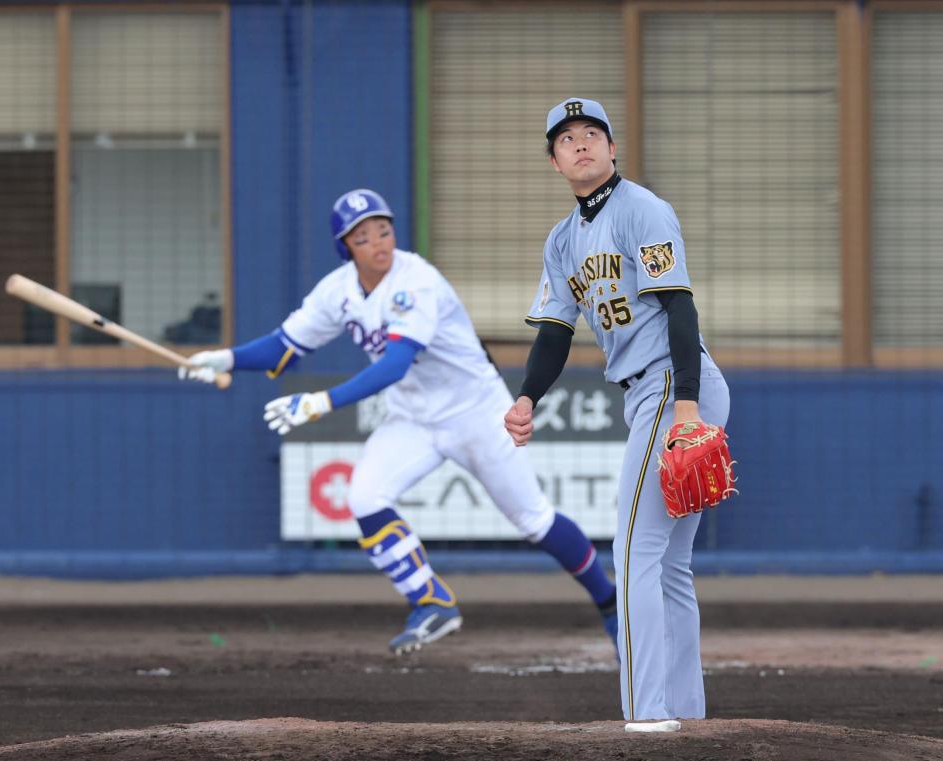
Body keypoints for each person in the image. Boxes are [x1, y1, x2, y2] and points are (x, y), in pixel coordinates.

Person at [180, 188, 618, 656]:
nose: (377, 242)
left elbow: (394, 364)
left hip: (474, 410)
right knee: (364, 497)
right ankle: (431, 601)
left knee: (533, 520)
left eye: (383, 230)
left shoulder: (417, 280)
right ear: (345, 247)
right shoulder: (337, 290)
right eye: (363, 236)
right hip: (412, 417)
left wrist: (321, 402)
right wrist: (225, 359)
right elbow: (283, 346)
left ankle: (610, 603)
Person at [503, 99, 731, 732]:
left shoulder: (641, 210)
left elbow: (679, 306)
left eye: (591, 133)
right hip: (649, 392)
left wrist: (686, 406)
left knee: (633, 550)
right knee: (670, 565)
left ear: (611, 147)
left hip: (673, 384)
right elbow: (555, 332)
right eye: (566, 138)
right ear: (554, 161)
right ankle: (686, 717)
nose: (580, 143)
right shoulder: (562, 240)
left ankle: (647, 715)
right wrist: (527, 397)